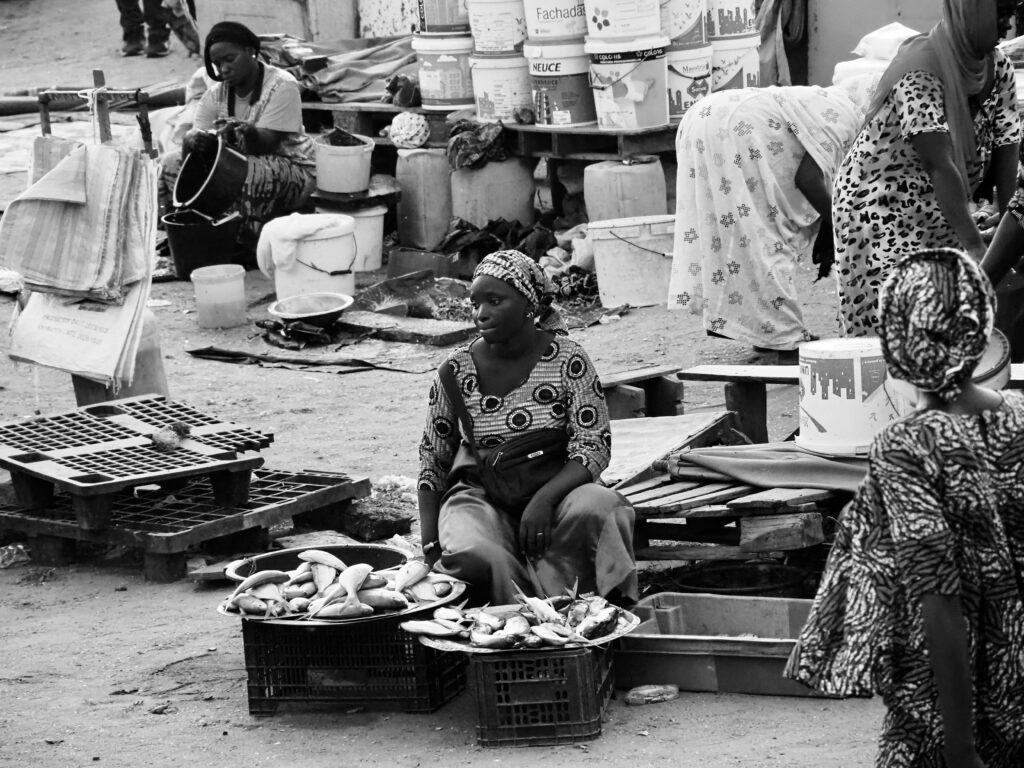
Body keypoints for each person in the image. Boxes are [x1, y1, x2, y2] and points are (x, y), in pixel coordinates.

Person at [784, 247, 1024, 767]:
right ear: (981, 333)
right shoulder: (1018, 420)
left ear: (894, 348)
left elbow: (942, 602)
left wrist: (959, 748)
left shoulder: (907, 446)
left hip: (942, 698)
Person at [417, 250, 637, 606]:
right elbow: (434, 461)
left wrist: (545, 500)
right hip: (482, 493)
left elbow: (594, 445)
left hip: (558, 487)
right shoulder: (454, 372)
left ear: (528, 306)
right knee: (477, 552)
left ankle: (595, 610)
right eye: (475, 303)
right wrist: (429, 546)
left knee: (603, 507)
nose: (481, 313)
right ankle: (520, 622)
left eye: (495, 301)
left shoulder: (568, 359)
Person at [831, 0, 1022, 337]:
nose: (1007, 28)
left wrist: (1010, 225)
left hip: (944, 206)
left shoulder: (998, 67)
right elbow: (939, 164)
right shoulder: (920, 69)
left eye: (1009, 17)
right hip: (879, 206)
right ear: (971, 14)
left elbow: (1007, 143)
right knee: (894, 318)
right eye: (1000, 17)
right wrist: (978, 248)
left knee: (943, 316)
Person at [666, 75, 877, 357]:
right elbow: (809, 180)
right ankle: (785, 340)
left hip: (706, 116)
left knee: (729, 233)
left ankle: (766, 331)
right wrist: (844, 227)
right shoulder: (846, 116)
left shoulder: (824, 99)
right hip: (736, 125)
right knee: (762, 235)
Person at [162, 21, 316, 250]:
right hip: (236, 166)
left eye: (229, 59)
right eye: (217, 64)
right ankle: (191, 231)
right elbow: (195, 147)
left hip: (294, 169)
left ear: (250, 52)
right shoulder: (215, 95)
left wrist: (247, 131)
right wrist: (193, 141)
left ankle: (246, 241)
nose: (223, 69)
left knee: (248, 169)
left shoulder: (282, 85)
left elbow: (267, 144)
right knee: (171, 163)